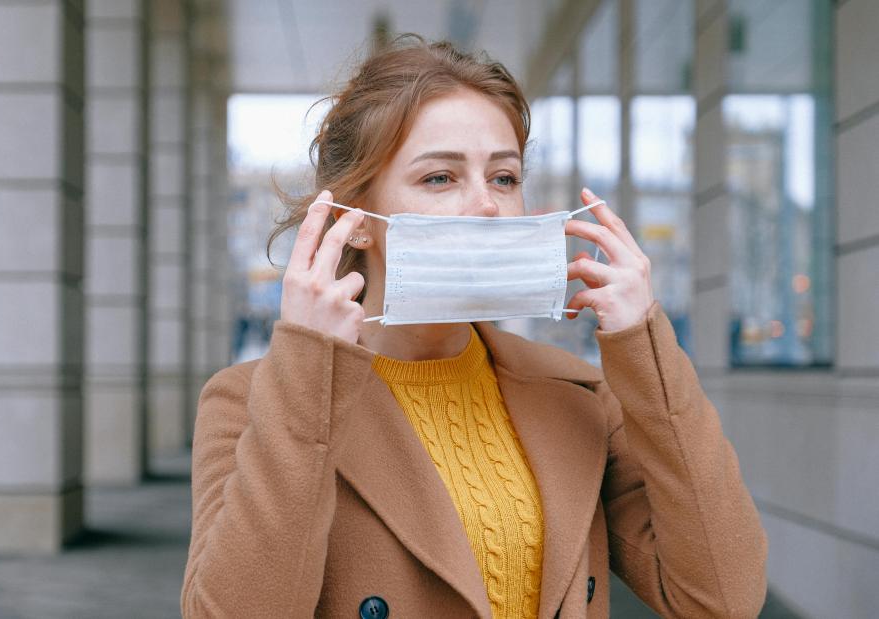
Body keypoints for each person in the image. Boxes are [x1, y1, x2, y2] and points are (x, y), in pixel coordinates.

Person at [181, 36, 767, 618]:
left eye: (504, 178)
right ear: (354, 220)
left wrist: (645, 349)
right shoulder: (251, 400)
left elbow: (722, 598)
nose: (486, 205)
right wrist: (308, 370)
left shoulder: (576, 395)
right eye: (440, 178)